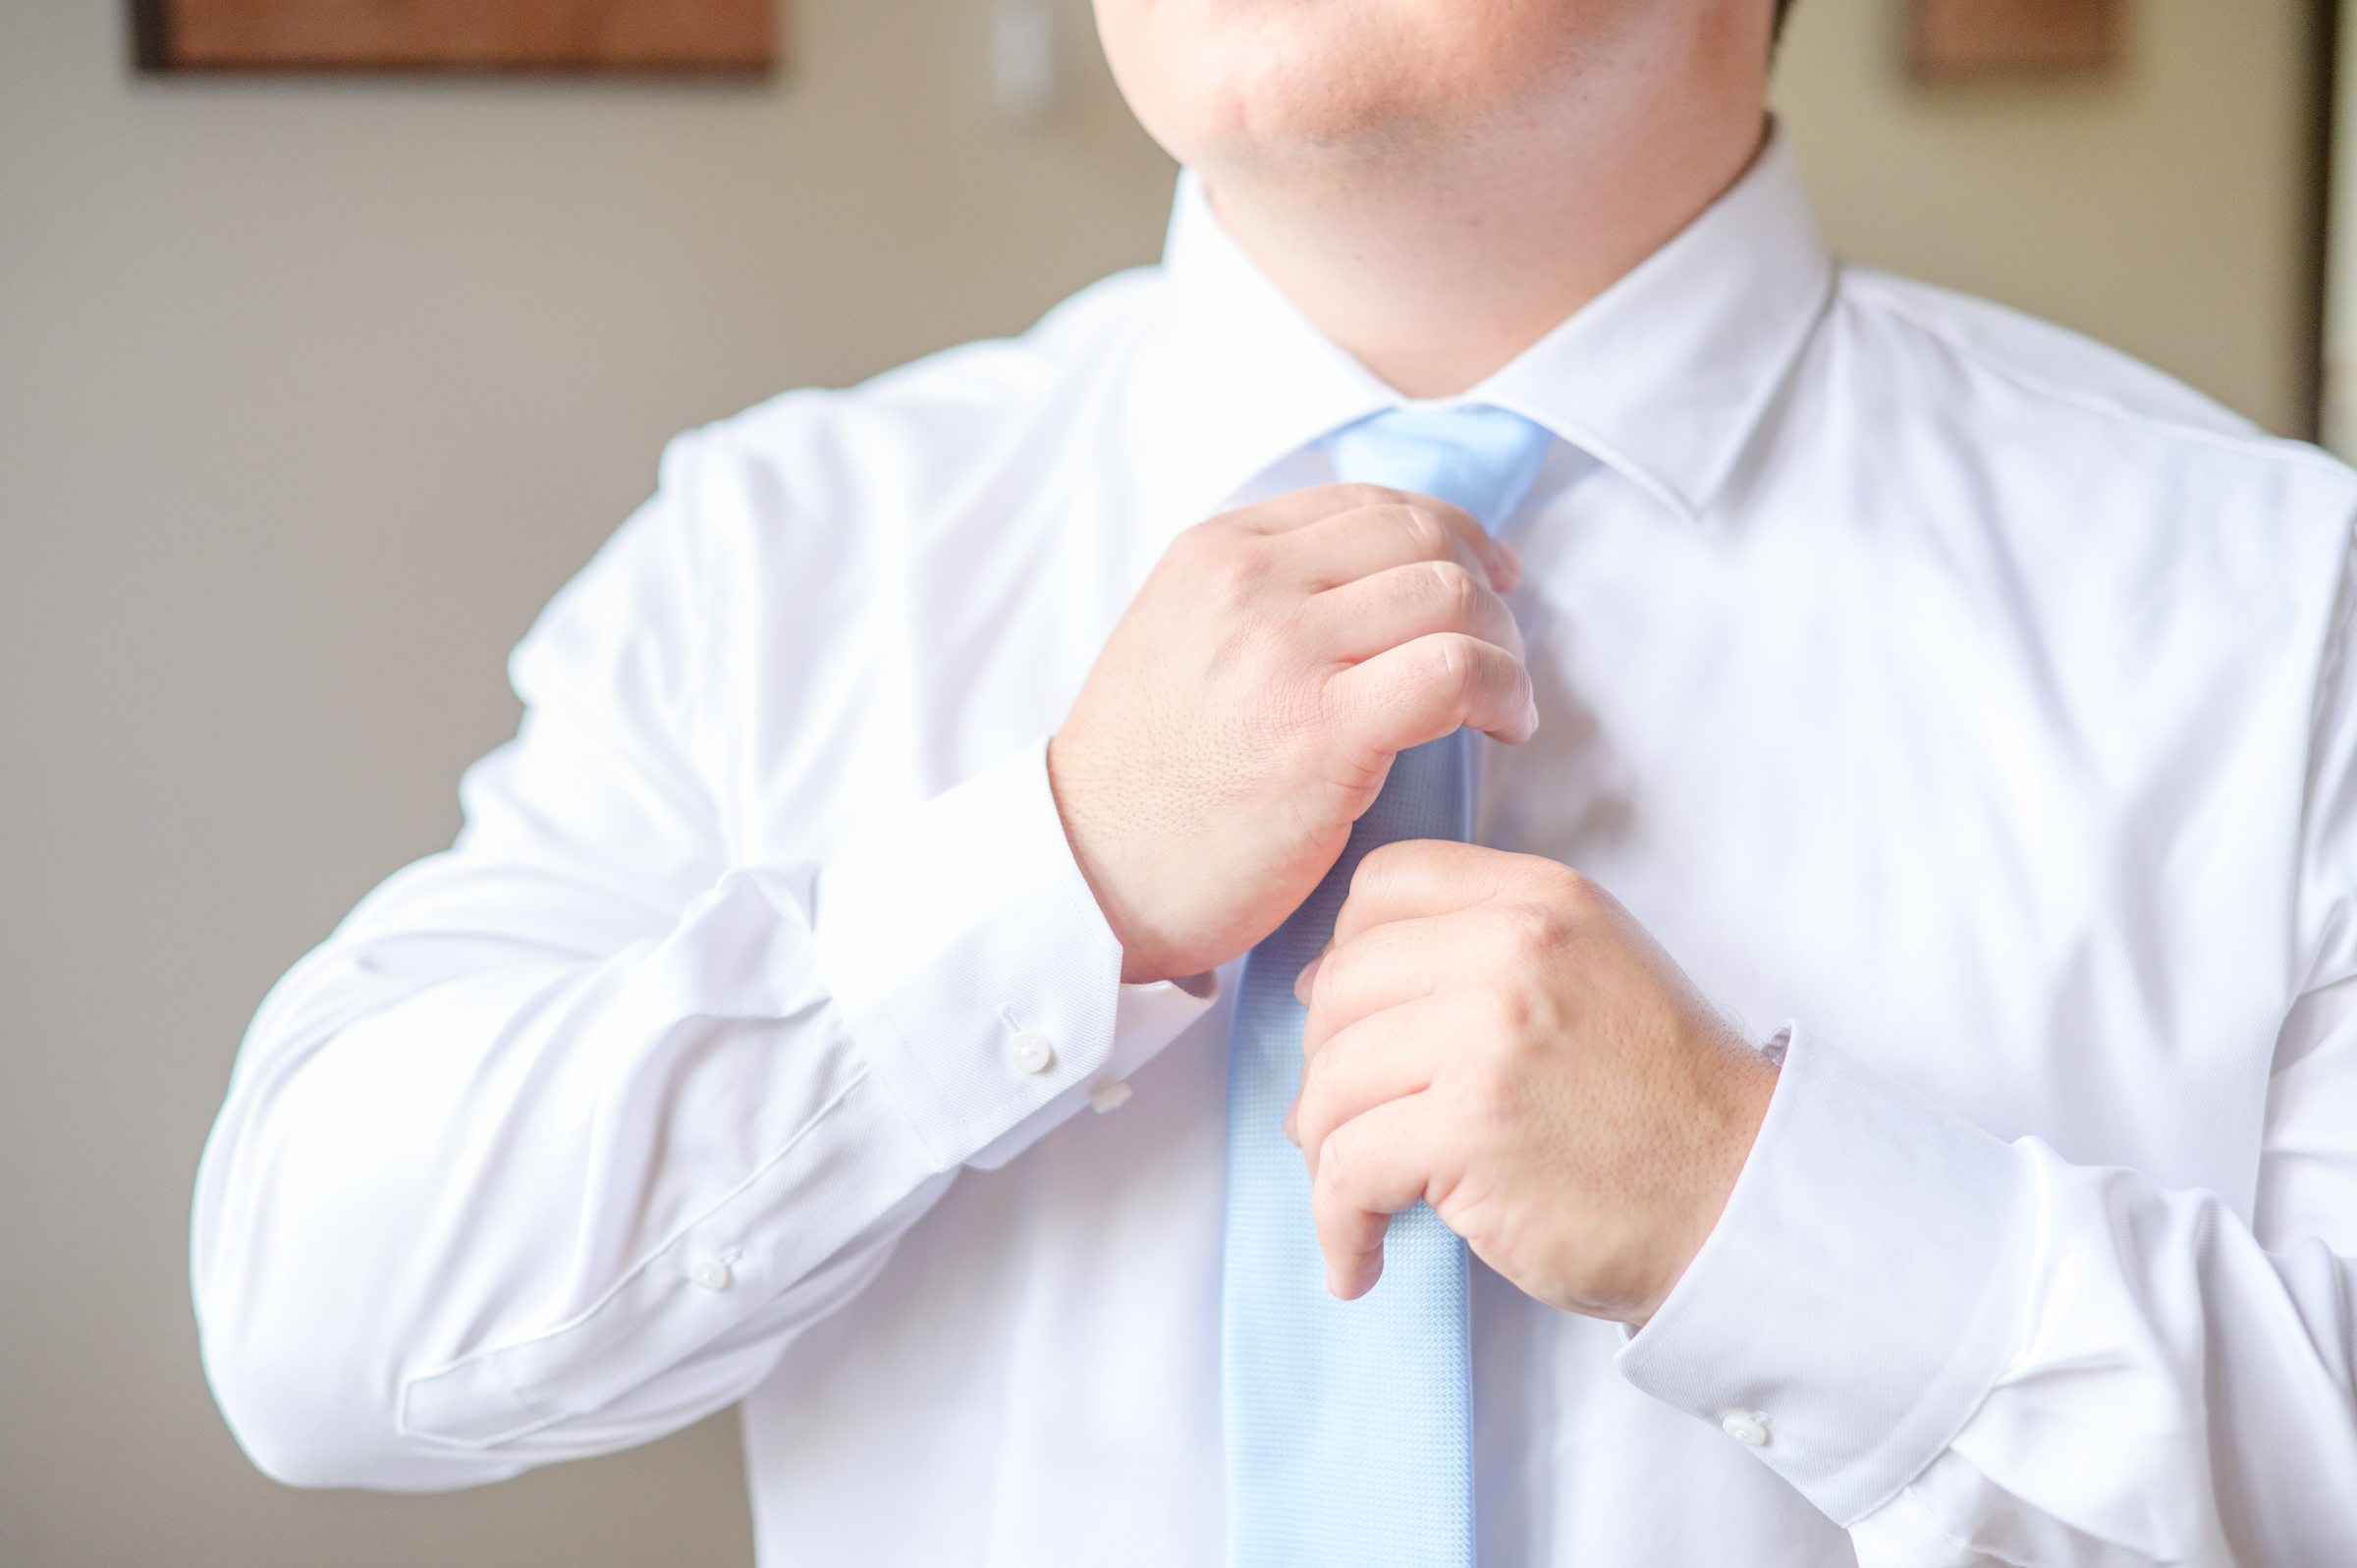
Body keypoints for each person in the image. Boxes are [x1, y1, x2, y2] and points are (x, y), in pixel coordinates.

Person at [192, 0, 2357, 1562]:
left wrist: (1751, 1209)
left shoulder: (2283, 618)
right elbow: (316, 1330)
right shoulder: (777, 562)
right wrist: (1049, 886)